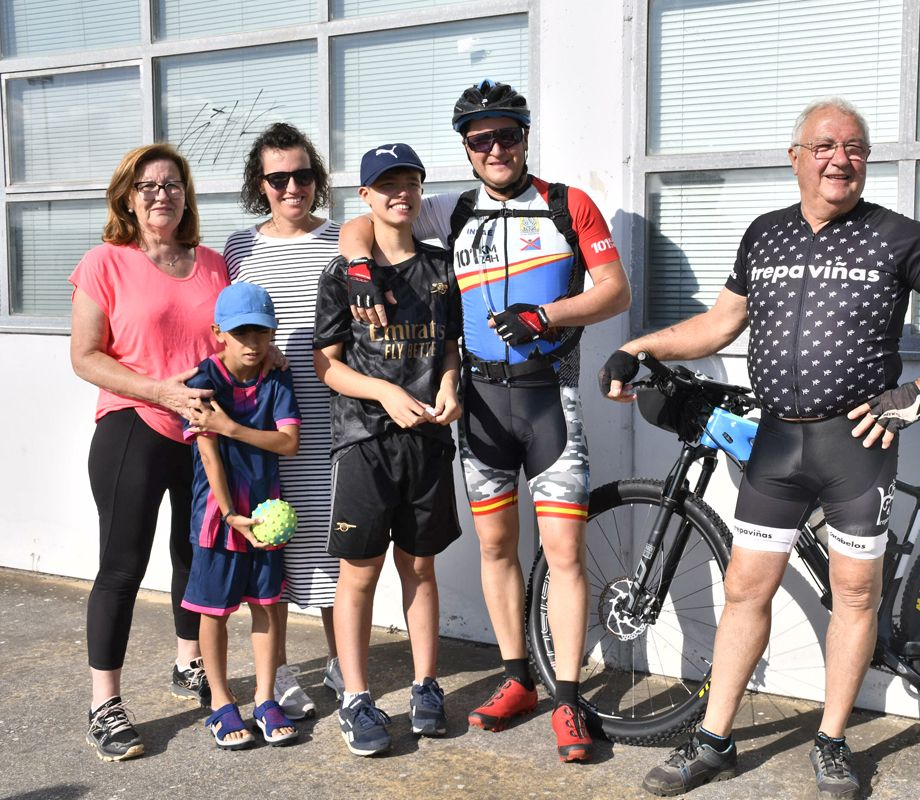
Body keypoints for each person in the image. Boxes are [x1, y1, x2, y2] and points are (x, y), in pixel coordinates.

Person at [600, 98, 920, 798]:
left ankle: (831, 742)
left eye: (853, 147)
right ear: (797, 158)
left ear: (866, 161)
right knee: (744, 590)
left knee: (853, 597)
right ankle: (713, 741)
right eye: (823, 146)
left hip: (856, 447)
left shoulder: (897, 236)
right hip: (778, 443)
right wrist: (638, 347)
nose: (838, 158)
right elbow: (719, 323)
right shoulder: (764, 235)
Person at [338, 79, 631, 762]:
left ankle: (567, 698)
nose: (496, 148)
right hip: (480, 407)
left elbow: (617, 290)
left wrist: (547, 316)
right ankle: (515, 678)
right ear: (466, 150)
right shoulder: (452, 210)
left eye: (507, 135)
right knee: (497, 548)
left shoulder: (568, 204)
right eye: (481, 140)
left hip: (546, 399)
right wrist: (356, 264)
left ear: (525, 139)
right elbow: (370, 217)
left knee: (562, 556)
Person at [70, 143, 227, 761]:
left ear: (186, 196)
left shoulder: (214, 265)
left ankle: (189, 662)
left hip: (203, 432)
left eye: (172, 184)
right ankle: (103, 703)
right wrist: (160, 389)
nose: (161, 194)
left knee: (195, 554)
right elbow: (85, 356)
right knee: (122, 565)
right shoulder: (105, 262)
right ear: (127, 198)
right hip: (133, 426)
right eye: (148, 186)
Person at [314, 143, 463, 757]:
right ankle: (355, 696)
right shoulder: (345, 273)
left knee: (422, 567)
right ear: (366, 197)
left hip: (426, 441)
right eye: (387, 184)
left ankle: (426, 685)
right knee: (360, 574)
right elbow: (328, 365)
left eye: (410, 181)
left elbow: (450, 343)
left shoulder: (441, 265)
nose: (400, 192)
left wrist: (450, 383)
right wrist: (382, 391)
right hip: (366, 442)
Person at [225, 122, 344, 719]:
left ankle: (340, 660)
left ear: (316, 179)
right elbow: (226, 327)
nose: (292, 186)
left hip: (333, 423)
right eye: (278, 178)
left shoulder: (346, 241)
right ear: (260, 184)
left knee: (332, 548)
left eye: (302, 175)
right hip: (264, 429)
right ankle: (279, 673)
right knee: (272, 553)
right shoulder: (239, 249)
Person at [180, 282, 301, 750]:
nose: (253, 343)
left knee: (268, 605)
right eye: (242, 333)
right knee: (214, 611)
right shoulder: (201, 381)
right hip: (218, 519)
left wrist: (231, 426)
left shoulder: (275, 375)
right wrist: (230, 514)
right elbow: (209, 454)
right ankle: (220, 703)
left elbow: (289, 443)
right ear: (218, 333)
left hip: (268, 513)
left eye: (262, 333)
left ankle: (266, 699)